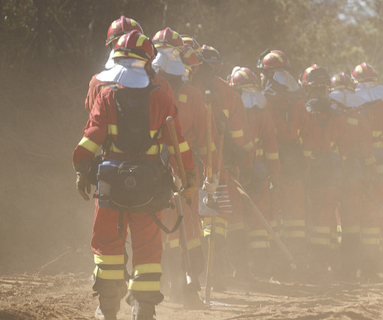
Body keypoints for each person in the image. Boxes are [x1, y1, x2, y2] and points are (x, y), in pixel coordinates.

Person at [72, 30, 196, 320]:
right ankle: (144, 310)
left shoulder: (105, 95)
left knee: (107, 244)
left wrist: (81, 169)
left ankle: (107, 311)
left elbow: (90, 139)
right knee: (148, 247)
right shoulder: (162, 98)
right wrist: (187, 178)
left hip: (110, 185)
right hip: (150, 187)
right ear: (148, 63)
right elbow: (179, 145)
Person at [150, 27, 217, 309]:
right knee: (159, 229)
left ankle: (186, 287)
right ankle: (158, 287)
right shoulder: (145, 88)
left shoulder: (191, 94)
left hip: (180, 170)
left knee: (184, 230)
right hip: (154, 168)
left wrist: (209, 176)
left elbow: (206, 141)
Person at [191, 44, 253, 289]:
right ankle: (212, 276)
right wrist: (244, 163)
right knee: (214, 220)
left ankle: (185, 278)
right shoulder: (227, 91)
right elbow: (241, 138)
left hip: (185, 164)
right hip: (215, 166)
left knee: (189, 221)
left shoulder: (182, 87)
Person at [257, 49, 313, 279]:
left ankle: (278, 268)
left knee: (274, 215)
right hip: (296, 164)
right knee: (296, 216)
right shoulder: (298, 101)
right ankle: (297, 265)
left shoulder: (266, 101)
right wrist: (304, 164)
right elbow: (307, 136)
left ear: (270, 74)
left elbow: (264, 135)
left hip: (275, 163)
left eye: (263, 73)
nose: (261, 77)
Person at [229, 66, 280, 278]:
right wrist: (275, 177)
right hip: (258, 173)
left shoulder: (232, 112)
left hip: (237, 172)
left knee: (236, 219)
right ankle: (260, 268)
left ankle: (240, 269)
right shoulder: (264, 115)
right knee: (258, 222)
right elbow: (273, 151)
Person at [352, 62, 383, 279]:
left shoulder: (349, 106)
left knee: (353, 219)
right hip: (374, 174)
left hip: (355, 173)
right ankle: (367, 268)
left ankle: (351, 266)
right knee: (369, 222)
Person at [300, 65, 349, 279]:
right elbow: (345, 148)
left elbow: (299, 140)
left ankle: (314, 266)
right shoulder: (338, 114)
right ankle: (328, 265)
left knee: (310, 218)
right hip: (332, 172)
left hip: (309, 171)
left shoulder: (303, 111)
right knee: (326, 219)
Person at [328, 72, 374, 279]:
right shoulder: (360, 119)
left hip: (331, 173)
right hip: (354, 174)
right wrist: (370, 178)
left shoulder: (327, 117)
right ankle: (348, 270)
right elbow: (368, 154)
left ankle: (333, 267)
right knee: (351, 223)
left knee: (327, 219)